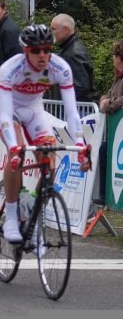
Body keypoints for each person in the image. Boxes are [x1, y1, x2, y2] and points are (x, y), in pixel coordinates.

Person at [0, 24, 89, 243]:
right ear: (25, 51)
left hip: (36, 112)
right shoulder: (10, 69)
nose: (42, 55)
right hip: (11, 114)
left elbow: (71, 110)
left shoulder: (60, 68)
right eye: (36, 51)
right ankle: (10, 217)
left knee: (50, 165)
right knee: (16, 158)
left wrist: (80, 143)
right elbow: (6, 114)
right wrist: (13, 148)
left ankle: (33, 213)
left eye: (47, 50)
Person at [97, 39, 123, 206]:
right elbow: (105, 96)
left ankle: (106, 196)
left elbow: (118, 101)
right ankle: (104, 196)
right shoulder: (118, 77)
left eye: (114, 55)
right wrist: (105, 101)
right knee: (104, 150)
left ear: (119, 57)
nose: (112, 58)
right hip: (116, 133)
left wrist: (108, 104)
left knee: (105, 150)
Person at [49, 13, 97, 103]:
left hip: (77, 110)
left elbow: (81, 86)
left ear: (65, 29)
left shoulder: (74, 53)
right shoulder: (69, 49)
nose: (51, 32)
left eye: (53, 29)